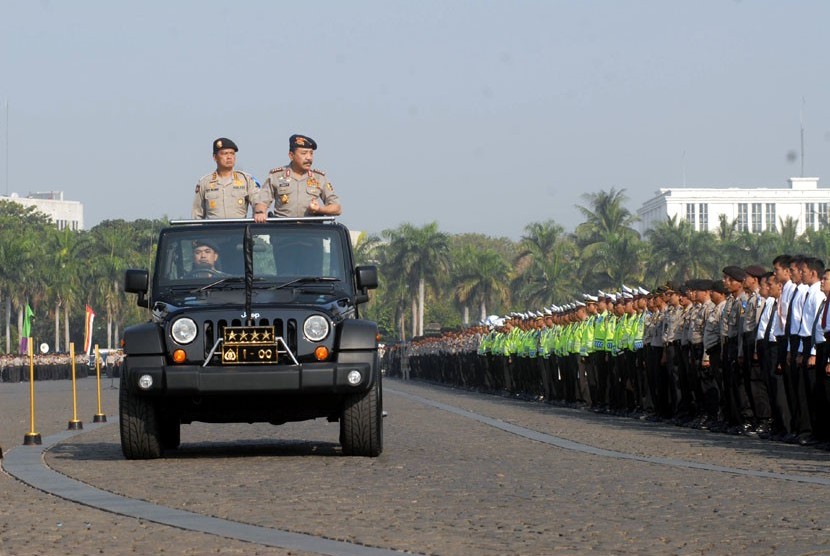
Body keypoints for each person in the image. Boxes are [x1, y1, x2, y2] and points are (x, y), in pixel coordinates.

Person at [253, 134, 342, 221]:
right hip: (283, 229)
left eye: (311, 154)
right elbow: (262, 201)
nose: (309, 158)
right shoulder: (276, 176)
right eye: (304, 153)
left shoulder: (319, 177)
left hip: (310, 230)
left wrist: (319, 209)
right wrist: (260, 212)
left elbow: (337, 208)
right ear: (291, 155)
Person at [192, 138, 260, 219]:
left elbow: (258, 202)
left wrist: (258, 213)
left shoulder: (246, 180)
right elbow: (197, 215)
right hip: (214, 230)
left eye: (232, 153)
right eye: (225, 154)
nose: (229, 157)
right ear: (215, 157)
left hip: (239, 230)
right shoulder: (204, 182)